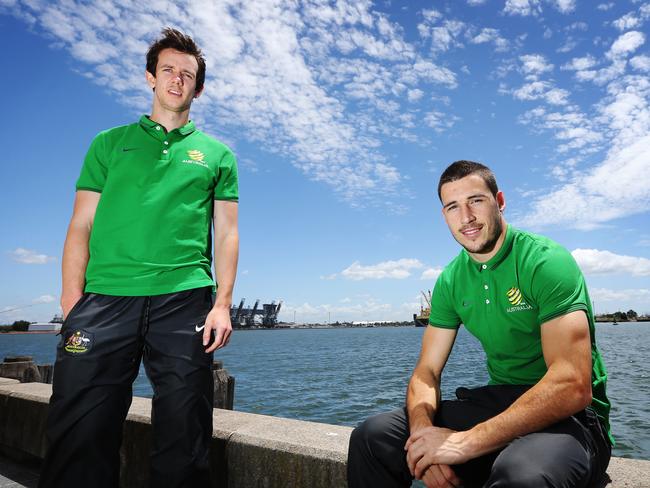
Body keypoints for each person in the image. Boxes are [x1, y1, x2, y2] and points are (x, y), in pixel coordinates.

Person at [39, 27, 239, 488]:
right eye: (168, 70)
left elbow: (227, 233)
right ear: (151, 77)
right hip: (104, 298)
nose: (177, 79)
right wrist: (73, 302)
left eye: (187, 74)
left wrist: (222, 303)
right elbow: (80, 225)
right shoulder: (108, 143)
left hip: (185, 298)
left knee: (185, 433)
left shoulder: (218, 155)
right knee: (79, 429)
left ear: (199, 87)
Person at [347, 160, 612, 488]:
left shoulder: (545, 261)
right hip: (500, 401)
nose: (466, 217)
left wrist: (464, 442)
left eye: (476, 201)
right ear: (443, 216)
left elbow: (571, 384)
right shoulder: (451, 280)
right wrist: (422, 438)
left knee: (522, 475)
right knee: (372, 437)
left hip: (572, 421)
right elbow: (426, 373)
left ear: (499, 202)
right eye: (453, 207)